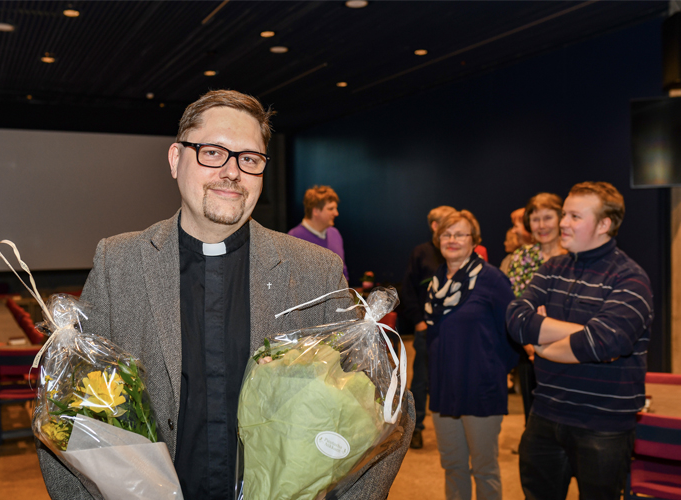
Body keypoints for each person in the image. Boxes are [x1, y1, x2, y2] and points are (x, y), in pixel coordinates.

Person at [37, 90, 414, 500]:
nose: (233, 172)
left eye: (249, 159)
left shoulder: (313, 269)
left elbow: (383, 410)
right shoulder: (118, 262)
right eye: (213, 152)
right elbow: (64, 410)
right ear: (176, 159)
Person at [506, 181, 653, 500]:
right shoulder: (552, 267)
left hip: (604, 424)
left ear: (604, 224)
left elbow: (605, 342)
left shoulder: (630, 278)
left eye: (574, 216)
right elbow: (516, 320)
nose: (562, 223)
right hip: (544, 415)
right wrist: (581, 332)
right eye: (564, 215)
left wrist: (543, 340)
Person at [424, 210, 519, 500]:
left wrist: (490, 369)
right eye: (446, 234)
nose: (452, 240)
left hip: (481, 390)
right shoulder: (437, 282)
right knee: (453, 466)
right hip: (443, 389)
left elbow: (513, 333)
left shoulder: (492, 279)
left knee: (484, 468)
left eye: (460, 234)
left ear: (474, 240)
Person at [505, 193, 567, 421]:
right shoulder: (521, 257)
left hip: (572, 348)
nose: (541, 226)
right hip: (530, 352)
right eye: (535, 219)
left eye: (547, 218)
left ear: (562, 218)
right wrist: (530, 346)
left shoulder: (576, 256)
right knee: (534, 418)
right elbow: (513, 304)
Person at [399, 204, 455, 449]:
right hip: (426, 330)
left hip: (454, 332)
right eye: (447, 222)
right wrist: (418, 322)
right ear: (434, 226)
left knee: (452, 379)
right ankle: (416, 428)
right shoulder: (421, 253)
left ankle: (453, 430)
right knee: (421, 380)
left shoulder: (457, 252)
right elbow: (408, 290)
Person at [288, 185, 348, 280]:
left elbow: (343, 273)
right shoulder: (294, 238)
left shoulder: (335, 234)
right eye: (330, 209)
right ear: (315, 211)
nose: (336, 213)